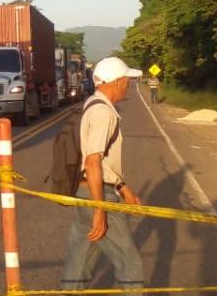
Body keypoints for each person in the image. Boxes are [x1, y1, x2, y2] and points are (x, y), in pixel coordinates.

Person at [61, 56, 144, 295]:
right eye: (126, 79)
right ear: (116, 82)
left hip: (87, 190)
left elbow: (101, 160)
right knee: (130, 264)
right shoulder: (103, 113)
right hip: (98, 195)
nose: (128, 83)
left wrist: (124, 188)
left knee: (80, 259)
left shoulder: (93, 104)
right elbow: (93, 161)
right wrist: (100, 209)